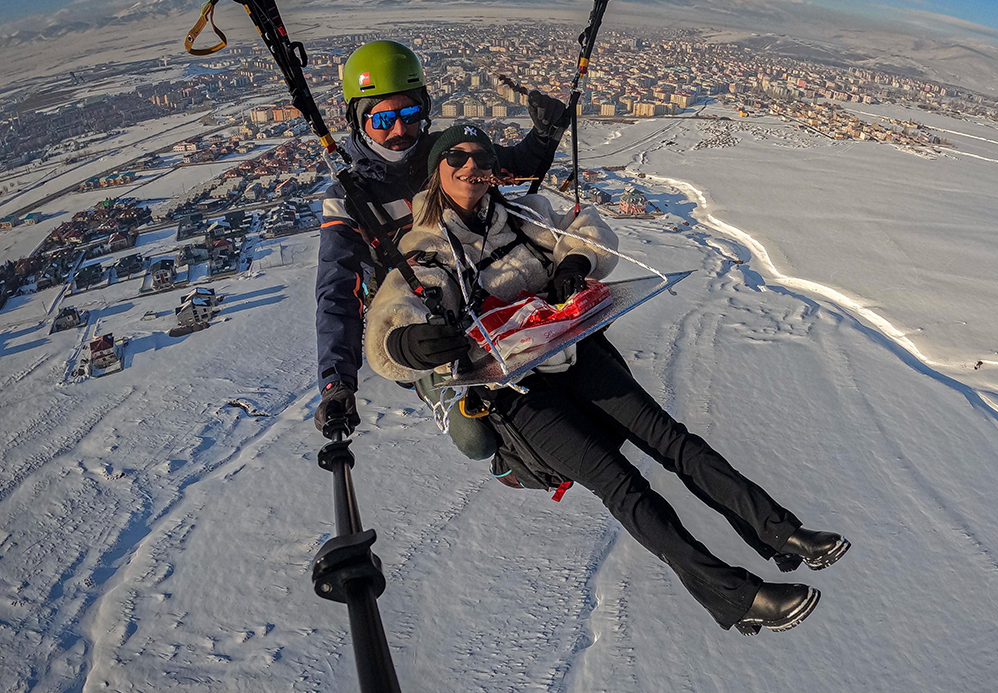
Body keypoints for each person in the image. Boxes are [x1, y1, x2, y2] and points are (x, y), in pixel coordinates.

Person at [361, 121, 851, 635]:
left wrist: (576, 259)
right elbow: (392, 321)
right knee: (621, 484)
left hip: (572, 352)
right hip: (516, 392)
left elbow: (589, 228)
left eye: (482, 159)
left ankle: (781, 533)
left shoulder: (524, 216)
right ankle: (740, 596)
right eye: (456, 158)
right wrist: (406, 343)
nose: (471, 168)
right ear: (437, 171)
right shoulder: (424, 250)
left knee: (674, 442)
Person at [313, 40, 570, 435]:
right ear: (358, 122)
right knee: (478, 438)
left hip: (485, 290)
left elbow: (507, 168)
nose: (399, 130)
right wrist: (337, 382)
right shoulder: (350, 198)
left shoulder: (442, 153)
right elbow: (337, 288)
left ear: (425, 109)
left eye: (410, 113)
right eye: (382, 120)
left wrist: (543, 135)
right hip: (423, 325)